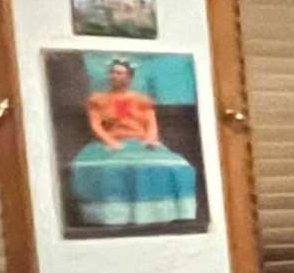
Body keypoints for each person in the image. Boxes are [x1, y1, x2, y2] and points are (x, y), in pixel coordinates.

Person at [67, 55, 199, 232]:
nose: (115, 76)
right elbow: (96, 124)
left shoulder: (141, 100)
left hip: (141, 141)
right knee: (111, 169)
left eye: (120, 73)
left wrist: (151, 139)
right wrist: (110, 141)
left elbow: (151, 123)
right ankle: (115, 215)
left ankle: (161, 213)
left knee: (176, 166)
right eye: (113, 72)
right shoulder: (99, 99)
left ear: (129, 77)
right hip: (112, 141)